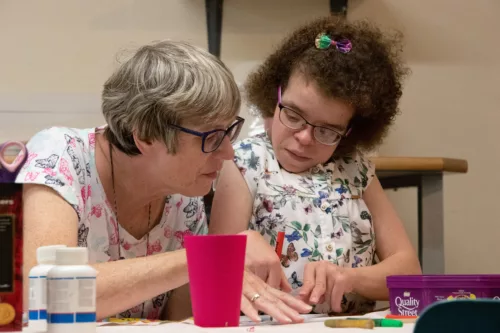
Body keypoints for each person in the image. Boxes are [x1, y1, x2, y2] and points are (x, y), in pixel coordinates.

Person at [16, 40, 311, 323]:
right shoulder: (59, 157)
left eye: (229, 131)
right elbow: (44, 291)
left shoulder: (184, 196)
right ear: (145, 135)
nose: (228, 152)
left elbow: (179, 320)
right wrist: (203, 257)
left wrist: (226, 280)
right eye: (212, 137)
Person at [209, 16, 422, 315]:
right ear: (276, 95)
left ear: (350, 131)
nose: (304, 138)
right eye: (293, 115)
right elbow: (215, 276)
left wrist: (349, 278)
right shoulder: (246, 162)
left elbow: (410, 273)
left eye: (327, 130)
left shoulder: (356, 170)